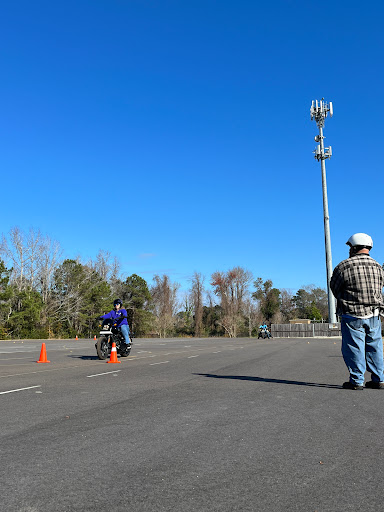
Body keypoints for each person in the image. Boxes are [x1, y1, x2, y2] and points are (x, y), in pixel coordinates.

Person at [330, 233, 384, 390]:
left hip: (352, 313)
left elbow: (334, 288)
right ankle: (379, 379)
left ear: (353, 248)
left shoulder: (343, 266)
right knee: (375, 347)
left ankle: (357, 381)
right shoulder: (378, 267)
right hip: (374, 314)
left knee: (354, 347)